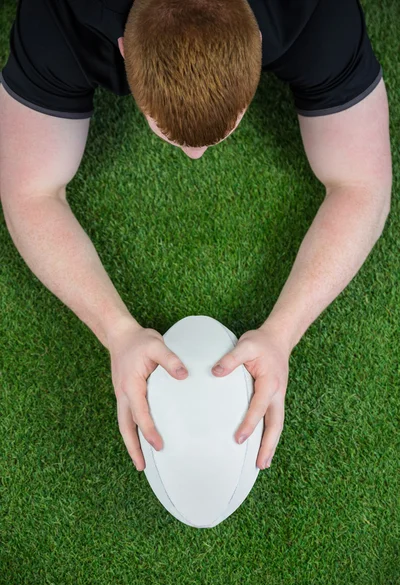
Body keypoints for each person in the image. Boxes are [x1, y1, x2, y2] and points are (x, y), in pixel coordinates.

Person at [0, 0, 392, 472]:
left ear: (260, 46)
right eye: (170, 134)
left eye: (219, 134)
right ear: (123, 51)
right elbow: (29, 194)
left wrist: (282, 334)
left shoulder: (317, 13)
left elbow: (364, 187)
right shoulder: (58, 17)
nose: (194, 156)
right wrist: (116, 331)